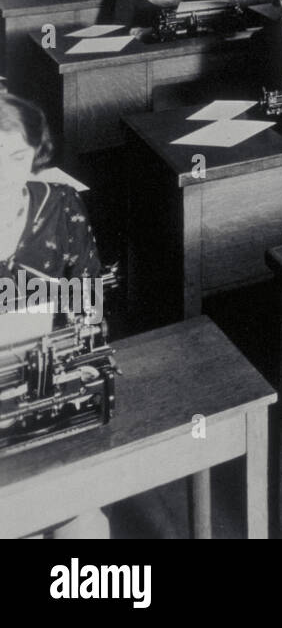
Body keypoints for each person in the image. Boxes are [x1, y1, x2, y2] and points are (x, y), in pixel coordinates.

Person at [0, 95, 109, 539]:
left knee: (85, 526)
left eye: (16, 157)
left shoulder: (62, 206)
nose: (3, 176)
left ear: (35, 155)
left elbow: (89, 315)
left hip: (44, 394)